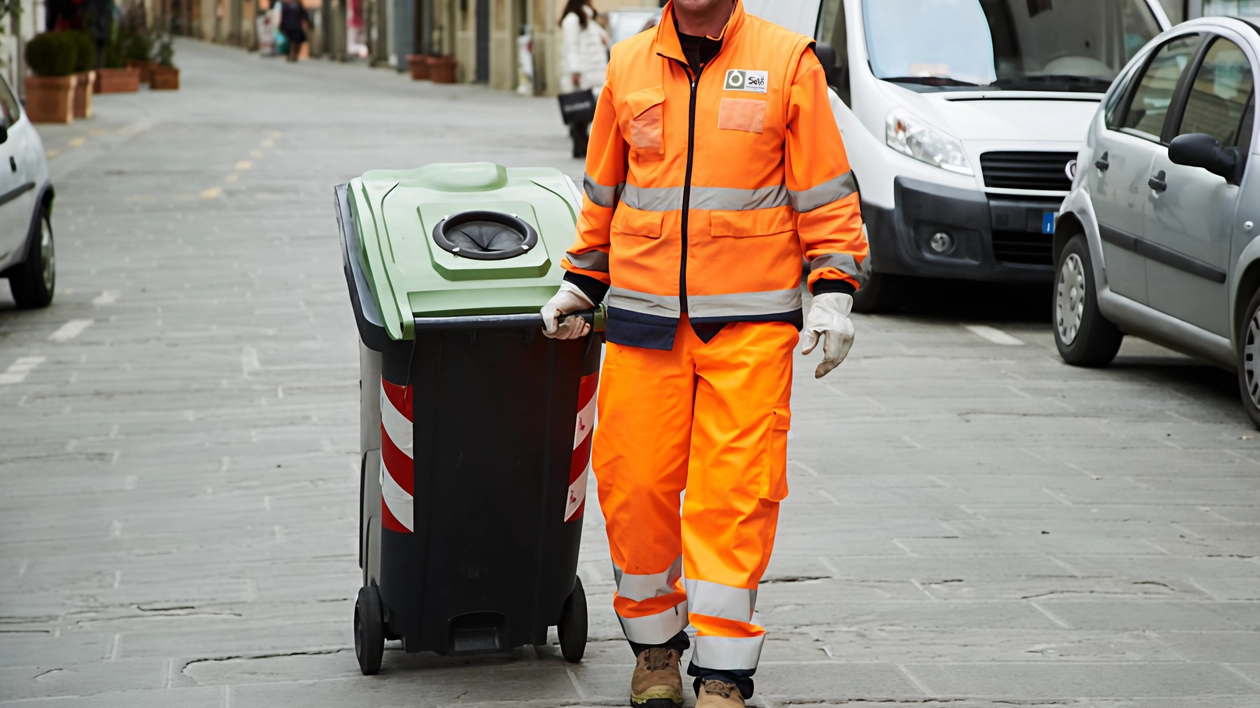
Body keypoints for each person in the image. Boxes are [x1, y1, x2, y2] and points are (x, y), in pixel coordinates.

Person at [540, 0, 868, 706]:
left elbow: (825, 189)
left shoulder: (788, 61)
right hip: (643, 321)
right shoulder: (627, 63)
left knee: (735, 495)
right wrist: (577, 283)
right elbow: (604, 190)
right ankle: (655, 651)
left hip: (749, 325)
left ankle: (724, 672)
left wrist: (834, 287)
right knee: (633, 488)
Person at [559, 0, 609, 158]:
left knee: (589, 110)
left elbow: (604, 38)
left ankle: (582, 144)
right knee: (581, 109)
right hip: (583, 72)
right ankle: (580, 145)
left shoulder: (587, 17)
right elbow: (571, 46)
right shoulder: (572, 20)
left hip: (596, 71)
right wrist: (575, 71)